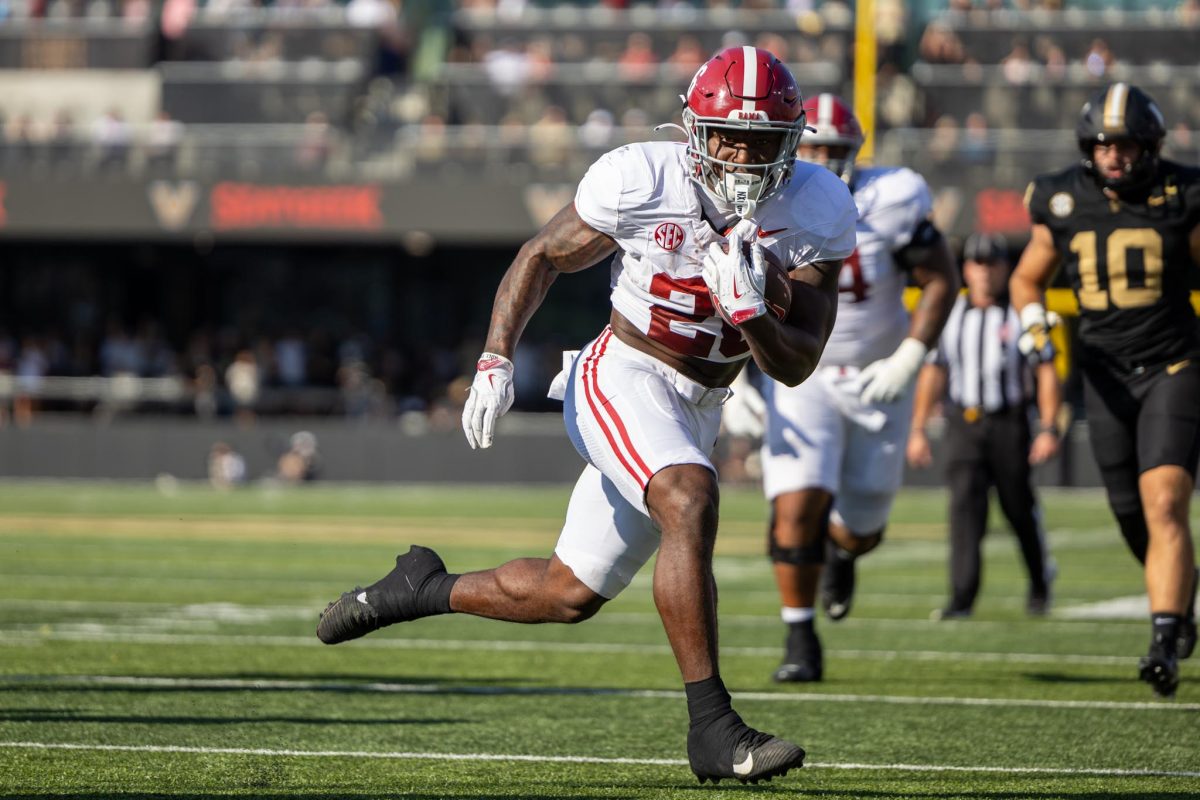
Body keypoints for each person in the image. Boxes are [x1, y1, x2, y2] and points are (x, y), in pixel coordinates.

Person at [315, 47, 857, 783]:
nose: (740, 155)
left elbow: (797, 361)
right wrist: (496, 358)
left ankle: (422, 587)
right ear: (693, 131)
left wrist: (752, 315)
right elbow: (542, 254)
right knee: (689, 497)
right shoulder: (643, 178)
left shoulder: (819, 204)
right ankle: (713, 729)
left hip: (704, 400)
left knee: (567, 593)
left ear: (792, 144)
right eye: (727, 136)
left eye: (761, 141)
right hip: (623, 373)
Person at [726, 94, 959, 683]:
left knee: (862, 528)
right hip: (803, 376)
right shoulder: (764, 198)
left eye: (837, 149)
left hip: (880, 376)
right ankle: (799, 638)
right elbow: (728, 288)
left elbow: (940, 278)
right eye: (816, 148)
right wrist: (734, 378)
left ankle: (844, 555)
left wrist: (911, 356)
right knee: (794, 509)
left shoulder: (894, 196)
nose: (826, 159)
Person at [1011, 82, 1200, 698]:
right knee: (1129, 515)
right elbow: (1026, 278)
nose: (1111, 155)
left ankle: (1164, 639)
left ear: (1150, 145)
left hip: (1173, 365)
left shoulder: (1183, 195)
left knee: (1165, 500)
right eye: (1100, 143)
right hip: (1104, 374)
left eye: (1122, 144)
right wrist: (1035, 319)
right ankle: (1179, 599)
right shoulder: (1061, 196)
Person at [907, 232, 1060, 619]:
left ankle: (1040, 582)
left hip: (1009, 421)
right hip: (964, 423)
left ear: (1004, 269)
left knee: (1018, 508)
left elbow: (1045, 369)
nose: (984, 271)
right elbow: (934, 371)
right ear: (966, 269)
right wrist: (919, 427)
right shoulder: (952, 313)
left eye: (991, 263)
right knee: (963, 511)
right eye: (977, 263)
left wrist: (1048, 427)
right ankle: (962, 597)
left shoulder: (1021, 312)